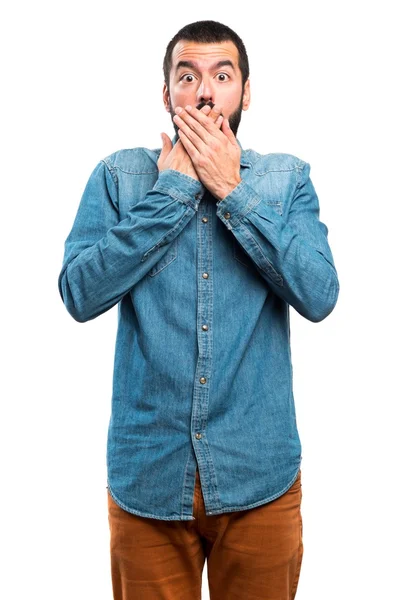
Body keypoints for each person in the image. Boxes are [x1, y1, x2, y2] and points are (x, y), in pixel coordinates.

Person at [58, 19, 339, 600]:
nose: (205, 91)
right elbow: (79, 294)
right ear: (167, 95)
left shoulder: (286, 180)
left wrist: (233, 191)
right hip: (148, 478)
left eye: (222, 75)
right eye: (188, 76)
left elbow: (320, 295)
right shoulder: (119, 177)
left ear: (246, 92)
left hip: (259, 473)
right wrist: (171, 197)